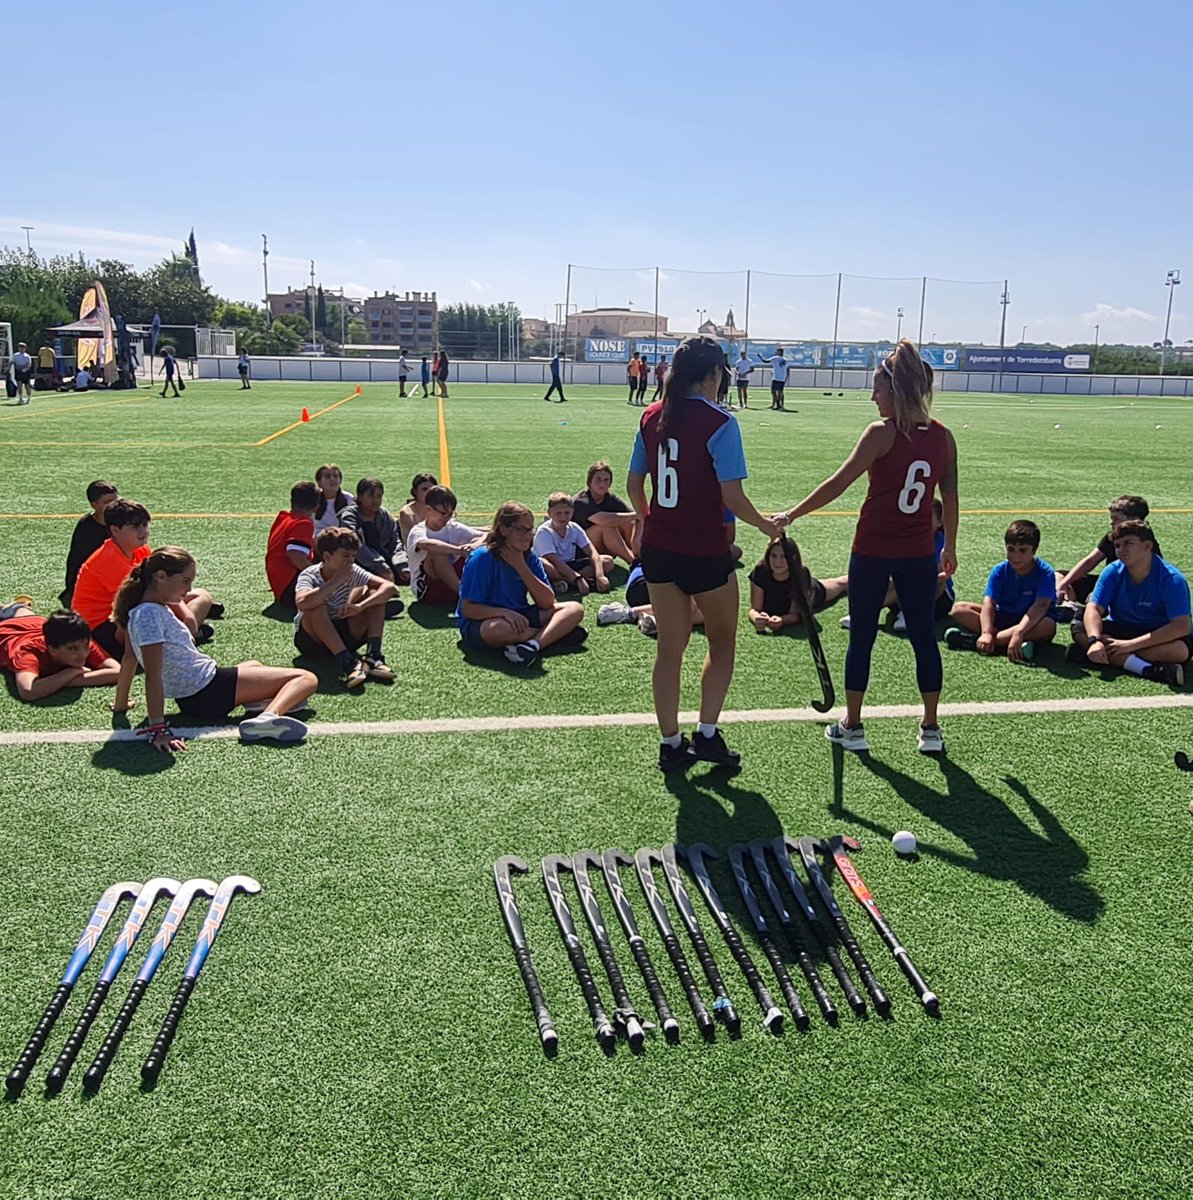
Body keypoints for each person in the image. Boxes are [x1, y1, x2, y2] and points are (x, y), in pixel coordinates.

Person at [778, 339, 958, 755]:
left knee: (861, 637)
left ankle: (853, 725)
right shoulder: (944, 437)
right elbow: (950, 497)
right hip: (917, 553)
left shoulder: (882, 433)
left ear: (895, 391)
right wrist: (949, 544)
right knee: (922, 638)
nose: (872, 396)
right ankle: (930, 728)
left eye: (877, 388)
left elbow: (838, 483)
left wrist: (791, 514)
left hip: (874, 550)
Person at [627, 335, 782, 770]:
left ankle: (671, 744)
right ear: (714, 375)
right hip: (705, 552)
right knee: (722, 642)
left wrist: (649, 520)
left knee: (669, 650)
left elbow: (634, 484)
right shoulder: (720, 422)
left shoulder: (652, 415)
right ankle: (707, 734)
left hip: (660, 550)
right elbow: (732, 497)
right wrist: (767, 525)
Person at [112, 547, 317, 750]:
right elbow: (153, 676)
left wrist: (121, 705)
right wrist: (158, 730)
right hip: (207, 691)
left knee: (254, 665)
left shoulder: (140, 610)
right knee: (305, 679)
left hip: (193, 696)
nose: (189, 589)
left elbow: (129, 659)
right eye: (185, 581)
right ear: (161, 576)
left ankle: (258, 703)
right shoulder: (150, 614)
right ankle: (267, 718)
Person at [73, 500, 216, 659]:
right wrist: (185, 617)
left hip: (133, 610)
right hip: (104, 628)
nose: (144, 531)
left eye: (145, 525)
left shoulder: (140, 550)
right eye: (135, 527)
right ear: (115, 530)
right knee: (152, 613)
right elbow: (138, 601)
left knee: (202, 596)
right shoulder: (108, 560)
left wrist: (187, 617)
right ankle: (182, 636)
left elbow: (157, 591)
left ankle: (184, 633)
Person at [456, 501, 586, 667]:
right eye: (521, 530)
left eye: (530, 529)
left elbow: (547, 602)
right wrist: (504, 613)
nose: (528, 535)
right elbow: (468, 609)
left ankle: (532, 645)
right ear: (503, 530)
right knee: (498, 629)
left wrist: (520, 566)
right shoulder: (482, 558)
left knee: (574, 609)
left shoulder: (528, 557)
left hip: (520, 616)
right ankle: (555, 635)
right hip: (483, 622)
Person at [1066, 519, 1190, 687]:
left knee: (1179, 652)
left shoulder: (1171, 579)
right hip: (1121, 628)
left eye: (1128, 543)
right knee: (1080, 623)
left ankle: (1093, 654)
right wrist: (1094, 640)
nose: (1121, 550)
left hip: (1156, 634)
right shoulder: (1112, 571)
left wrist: (1129, 646)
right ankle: (1150, 669)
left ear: (1147, 546)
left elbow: (1181, 626)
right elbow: (1094, 608)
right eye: (1117, 546)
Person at [293, 527, 398, 687]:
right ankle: (347, 663)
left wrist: (361, 606)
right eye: (345, 556)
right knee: (314, 605)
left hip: (345, 632)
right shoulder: (310, 574)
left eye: (353, 556)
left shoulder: (353, 570)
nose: (350, 561)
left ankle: (373, 655)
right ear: (327, 556)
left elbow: (390, 588)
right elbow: (302, 602)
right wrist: (335, 581)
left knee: (376, 594)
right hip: (313, 641)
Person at [945, 520, 1059, 662]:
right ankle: (1000, 642)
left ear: (1034, 551)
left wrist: (1019, 632)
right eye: (1011, 549)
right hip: (1003, 617)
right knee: (959, 609)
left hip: (1030, 622)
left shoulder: (1045, 572)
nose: (1016, 556)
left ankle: (979, 642)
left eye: (1023, 550)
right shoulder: (1000, 570)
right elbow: (989, 603)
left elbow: (1041, 606)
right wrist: (986, 631)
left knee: (1048, 626)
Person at [1057, 495, 1162, 605]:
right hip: (1109, 582)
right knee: (1059, 575)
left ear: (1133, 520)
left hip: (1132, 592)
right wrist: (1064, 583)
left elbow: (1141, 579)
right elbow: (1090, 561)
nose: (1111, 523)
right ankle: (1068, 605)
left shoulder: (1145, 543)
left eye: (1116, 519)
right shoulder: (1112, 537)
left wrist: (1101, 591)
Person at [0, 605, 120, 702]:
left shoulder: (79, 640)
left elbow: (118, 672)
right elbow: (28, 691)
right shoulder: (29, 652)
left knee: (22, 611)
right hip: (6, 633)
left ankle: (16, 607)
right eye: (73, 649)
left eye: (86, 645)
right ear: (52, 650)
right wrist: (71, 672)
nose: (83, 653)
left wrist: (64, 681)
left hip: (34, 622)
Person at [748, 540, 848, 633]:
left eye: (784, 556)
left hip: (813, 591)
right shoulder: (760, 571)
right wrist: (757, 618)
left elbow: (796, 615)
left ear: (793, 558)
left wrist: (782, 620)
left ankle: (861, 576)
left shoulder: (801, 575)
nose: (778, 561)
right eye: (774, 556)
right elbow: (755, 609)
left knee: (841, 584)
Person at [407, 485, 484, 604]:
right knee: (437, 553)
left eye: (450, 514)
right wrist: (458, 550)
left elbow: (488, 534)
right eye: (443, 513)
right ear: (428, 509)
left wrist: (476, 544)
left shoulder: (452, 527)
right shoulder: (418, 531)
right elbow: (428, 545)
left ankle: (483, 592)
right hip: (428, 590)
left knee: (479, 546)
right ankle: (465, 597)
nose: (447, 518)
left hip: (450, 586)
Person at [598, 558, 705, 638]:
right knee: (699, 608)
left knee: (705, 613)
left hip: (648, 585)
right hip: (650, 583)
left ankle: (654, 619)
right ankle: (627, 613)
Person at [534, 492, 612, 595]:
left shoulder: (574, 527)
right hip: (554, 566)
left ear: (572, 512)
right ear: (549, 513)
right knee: (542, 563)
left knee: (608, 561)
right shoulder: (544, 531)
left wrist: (600, 575)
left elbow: (592, 552)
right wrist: (577, 578)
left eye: (567, 513)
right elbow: (553, 560)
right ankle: (576, 582)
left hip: (570, 564)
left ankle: (564, 583)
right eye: (558, 513)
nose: (563, 517)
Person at [61, 480, 119, 606]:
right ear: (94, 505)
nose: (114, 506)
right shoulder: (86, 529)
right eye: (107, 503)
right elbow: (79, 565)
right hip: (91, 588)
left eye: (116, 501)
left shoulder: (123, 522)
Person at [572, 461, 640, 568]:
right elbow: (605, 520)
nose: (602, 484)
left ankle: (640, 555)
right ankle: (633, 562)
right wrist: (638, 514)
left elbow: (635, 518)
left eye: (606, 480)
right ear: (589, 482)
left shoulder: (610, 498)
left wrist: (636, 539)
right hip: (580, 550)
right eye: (598, 479)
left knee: (629, 522)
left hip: (604, 546)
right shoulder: (581, 501)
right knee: (607, 527)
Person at [340, 476, 403, 585]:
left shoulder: (384, 515)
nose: (376, 500)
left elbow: (395, 541)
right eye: (370, 496)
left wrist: (401, 565)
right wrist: (381, 566)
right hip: (357, 562)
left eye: (379, 496)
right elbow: (356, 546)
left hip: (383, 560)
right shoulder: (349, 516)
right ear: (359, 497)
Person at [265, 481, 318, 607]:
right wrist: (319, 578)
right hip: (289, 589)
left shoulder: (284, 518)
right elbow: (295, 555)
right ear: (317, 506)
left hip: (280, 585)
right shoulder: (303, 523)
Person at [398, 472, 438, 551]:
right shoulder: (407, 513)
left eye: (431, 489)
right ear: (415, 491)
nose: (428, 493)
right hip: (416, 554)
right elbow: (415, 543)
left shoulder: (438, 508)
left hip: (436, 549)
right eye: (424, 489)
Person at [313, 463, 354, 533]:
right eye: (327, 476)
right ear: (319, 483)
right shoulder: (312, 500)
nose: (332, 479)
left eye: (335, 476)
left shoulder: (349, 499)